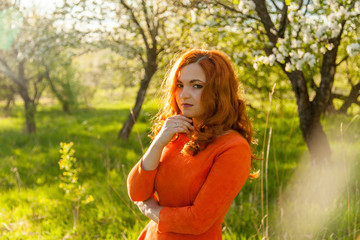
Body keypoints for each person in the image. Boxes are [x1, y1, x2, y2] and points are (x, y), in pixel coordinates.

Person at [127, 49, 257, 239]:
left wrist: (152, 210)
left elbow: (198, 221)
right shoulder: (177, 132)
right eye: (179, 85)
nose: (184, 95)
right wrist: (158, 143)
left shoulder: (233, 147)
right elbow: (137, 192)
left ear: (219, 90)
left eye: (196, 86)